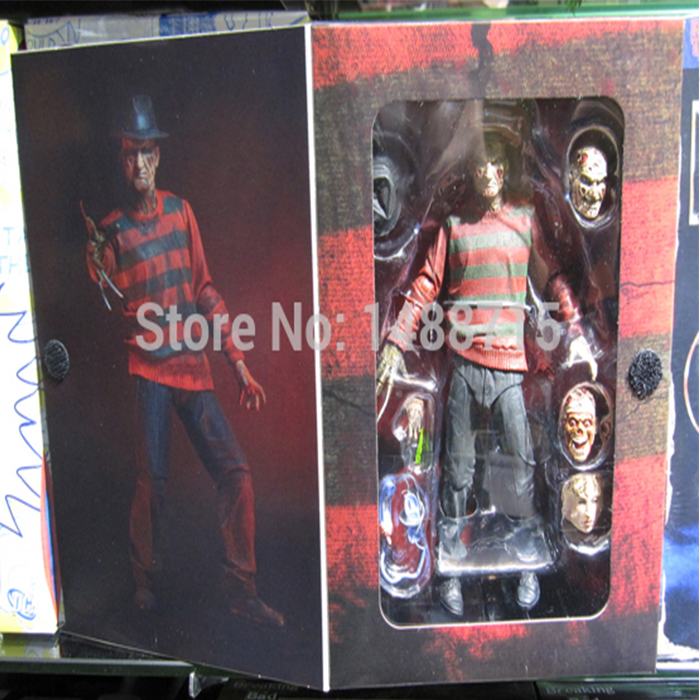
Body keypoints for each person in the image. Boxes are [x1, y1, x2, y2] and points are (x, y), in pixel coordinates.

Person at [376, 130, 596, 615]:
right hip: (463, 367)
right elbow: (425, 284)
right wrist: (395, 342)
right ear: (472, 171)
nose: (488, 172)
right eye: (480, 164)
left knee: (521, 462)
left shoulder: (524, 220)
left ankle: (525, 558)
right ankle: (453, 563)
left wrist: (577, 331)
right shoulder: (454, 227)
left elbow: (553, 278)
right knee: (457, 468)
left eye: (495, 163)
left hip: (509, 371)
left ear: (505, 168)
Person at [84, 95, 283, 627]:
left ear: (158, 156)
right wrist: (95, 261)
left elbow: (204, 290)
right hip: (148, 370)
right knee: (152, 481)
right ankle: (145, 584)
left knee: (236, 473)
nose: (139, 164)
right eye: (130, 154)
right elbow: (102, 291)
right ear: (121, 160)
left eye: (146, 153)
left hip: (191, 368)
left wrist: (238, 364)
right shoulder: (113, 231)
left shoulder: (181, 212)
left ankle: (241, 590)